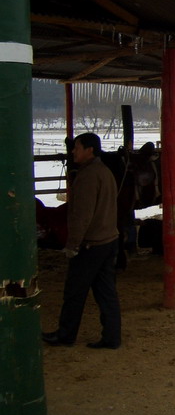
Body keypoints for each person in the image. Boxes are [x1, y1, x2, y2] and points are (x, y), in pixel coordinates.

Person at [42, 132, 122, 349]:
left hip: (91, 244)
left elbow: (81, 216)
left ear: (90, 150)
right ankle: (112, 337)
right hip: (108, 239)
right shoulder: (105, 172)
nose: (73, 151)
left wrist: (72, 244)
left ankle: (66, 335)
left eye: (77, 147)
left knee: (74, 292)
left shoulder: (87, 177)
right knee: (106, 292)